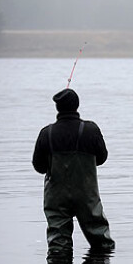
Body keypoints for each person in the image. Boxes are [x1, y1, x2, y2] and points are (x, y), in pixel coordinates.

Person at [32, 88, 115, 254]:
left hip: (56, 197)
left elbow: (39, 167)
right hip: (87, 195)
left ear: (58, 108)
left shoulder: (46, 133)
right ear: (77, 105)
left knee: (58, 246)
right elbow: (102, 158)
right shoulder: (91, 130)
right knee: (101, 243)